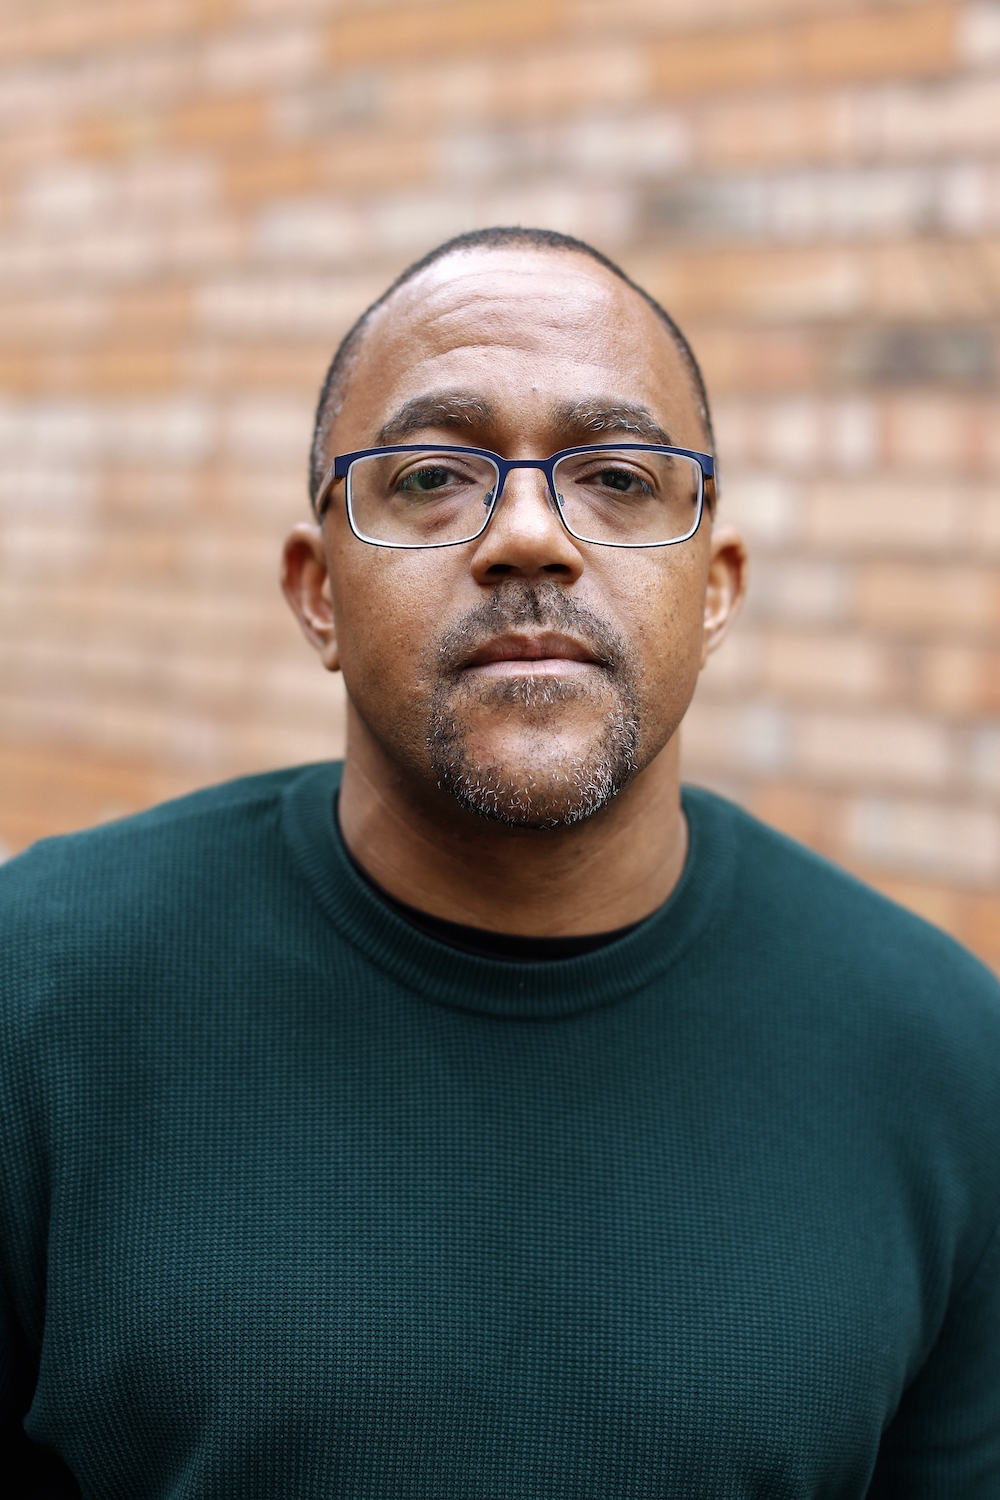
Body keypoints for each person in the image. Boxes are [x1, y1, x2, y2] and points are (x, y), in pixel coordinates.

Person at [1, 227, 998, 1499]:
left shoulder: (942, 1057)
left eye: (618, 477)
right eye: (431, 473)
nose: (528, 533)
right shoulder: (37, 1002)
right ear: (317, 593)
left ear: (713, 590)